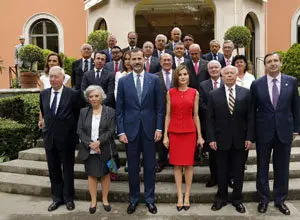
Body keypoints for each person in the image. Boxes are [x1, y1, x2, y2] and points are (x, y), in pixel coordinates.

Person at [116, 48, 163, 215]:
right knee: (133, 168)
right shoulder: (123, 81)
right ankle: (134, 199)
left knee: (150, 167)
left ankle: (150, 200)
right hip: (130, 132)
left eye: (139, 58)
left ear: (144, 59)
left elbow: (159, 107)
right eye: (133, 59)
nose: (136, 61)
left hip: (150, 131)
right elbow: (119, 109)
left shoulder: (154, 80)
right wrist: (120, 131)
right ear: (129, 61)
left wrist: (159, 128)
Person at [251, 52, 299, 215]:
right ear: (265, 65)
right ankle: (263, 199)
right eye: (269, 61)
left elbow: (296, 107)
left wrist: (296, 129)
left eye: (275, 61)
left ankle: (280, 200)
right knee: (262, 167)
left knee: (282, 168)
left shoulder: (291, 82)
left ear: (281, 63)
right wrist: (251, 135)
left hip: (284, 131)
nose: (272, 64)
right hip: (263, 132)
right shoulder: (257, 84)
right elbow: (252, 111)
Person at [206, 65, 254, 213]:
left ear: (236, 75)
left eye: (232, 73)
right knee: (221, 170)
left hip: (241, 139)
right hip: (220, 140)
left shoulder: (246, 93)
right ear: (222, 76)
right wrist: (211, 138)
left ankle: (237, 199)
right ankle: (221, 198)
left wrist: (249, 137)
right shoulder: (213, 94)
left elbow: (251, 117)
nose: (229, 75)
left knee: (239, 171)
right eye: (226, 73)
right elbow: (209, 119)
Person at [38, 66, 83, 212]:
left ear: (63, 78)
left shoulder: (73, 94)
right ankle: (57, 199)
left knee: (68, 170)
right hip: (50, 139)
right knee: (53, 170)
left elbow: (78, 115)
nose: (52, 79)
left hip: (67, 140)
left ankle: (69, 198)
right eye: (50, 76)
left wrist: (76, 136)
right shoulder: (43, 94)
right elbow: (45, 114)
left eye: (56, 76)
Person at [163, 65, 204, 211]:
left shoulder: (194, 92)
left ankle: (187, 195)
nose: (183, 77)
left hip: (189, 132)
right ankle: (179, 195)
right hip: (174, 132)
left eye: (185, 74)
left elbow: (196, 115)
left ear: (189, 76)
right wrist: (165, 136)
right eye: (180, 74)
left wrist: (200, 136)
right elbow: (167, 114)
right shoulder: (170, 92)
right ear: (176, 77)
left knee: (189, 165)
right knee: (176, 165)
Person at [77, 85, 117, 214]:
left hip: (105, 148)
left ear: (101, 97)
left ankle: (105, 199)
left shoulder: (110, 111)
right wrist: (90, 143)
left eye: (96, 96)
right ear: (88, 98)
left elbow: (111, 130)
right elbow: (80, 130)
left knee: (105, 175)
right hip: (89, 149)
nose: (94, 99)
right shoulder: (83, 112)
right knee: (92, 175)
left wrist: (99, 142)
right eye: (91, 96)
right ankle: (93, 201)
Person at [198, 60, 223, 188]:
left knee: (226, 153)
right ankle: (213, 178)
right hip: (210, 124)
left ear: (220, 69)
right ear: (208, 70)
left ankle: (226, 178)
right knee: (213, 154)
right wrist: (212, 113)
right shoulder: (203, 85)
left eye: (216, 67)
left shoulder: (226, 82)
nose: (214, 70)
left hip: (225, 124)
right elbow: (201, 103)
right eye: (211, 68)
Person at [154, 53, 174, 173]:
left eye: (169, 60)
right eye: (164, 60)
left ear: (172, 62)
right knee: (161, 137)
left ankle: (174, 159)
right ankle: (161, 161)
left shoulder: (178, 74)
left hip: (176, 110)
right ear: (160, 62)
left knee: (174, 136)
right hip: (159, 111)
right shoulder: (154, 77)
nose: (167, 62)